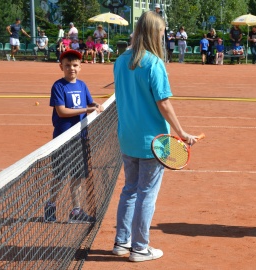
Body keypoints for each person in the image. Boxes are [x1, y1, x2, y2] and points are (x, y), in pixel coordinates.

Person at [112, 11, 199, 262]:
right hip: (153, 141)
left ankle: (121, 242)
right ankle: (139, 247)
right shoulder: (153, 64)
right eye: (161, 32)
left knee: (129, 190)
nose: (163, 36)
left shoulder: (120, 61)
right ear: (154, 33)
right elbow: (164, 103)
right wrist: (181, 133)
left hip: (127, 138)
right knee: (146, 193)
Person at [46, 50, 104, 224]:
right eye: (67, 65)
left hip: (81, 137)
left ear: (80, 67)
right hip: (63, 138)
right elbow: (62, 112)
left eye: (75, 65)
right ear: (61, 67)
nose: (71, 68)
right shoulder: (58, 86)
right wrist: (87, 110)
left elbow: (89, 102)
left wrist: (96, 105)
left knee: (78, 175)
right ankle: (50, 205)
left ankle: (76, 211)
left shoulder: (82, 85)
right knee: (60, 175)